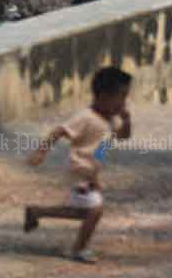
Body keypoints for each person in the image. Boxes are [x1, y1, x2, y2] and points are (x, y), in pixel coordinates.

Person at [23, 67, 134, 263]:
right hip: (79, 170)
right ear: (103, 96)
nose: (123, 102)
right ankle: (78, 249)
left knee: (82, 211)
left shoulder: (109, 120)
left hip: (90, 171)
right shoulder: (86, 117)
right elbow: (60, 131)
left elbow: (122, 137)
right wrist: (41, 151)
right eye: (121, 97)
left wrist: (127, 121)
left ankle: (37, 211)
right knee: (95, 210)